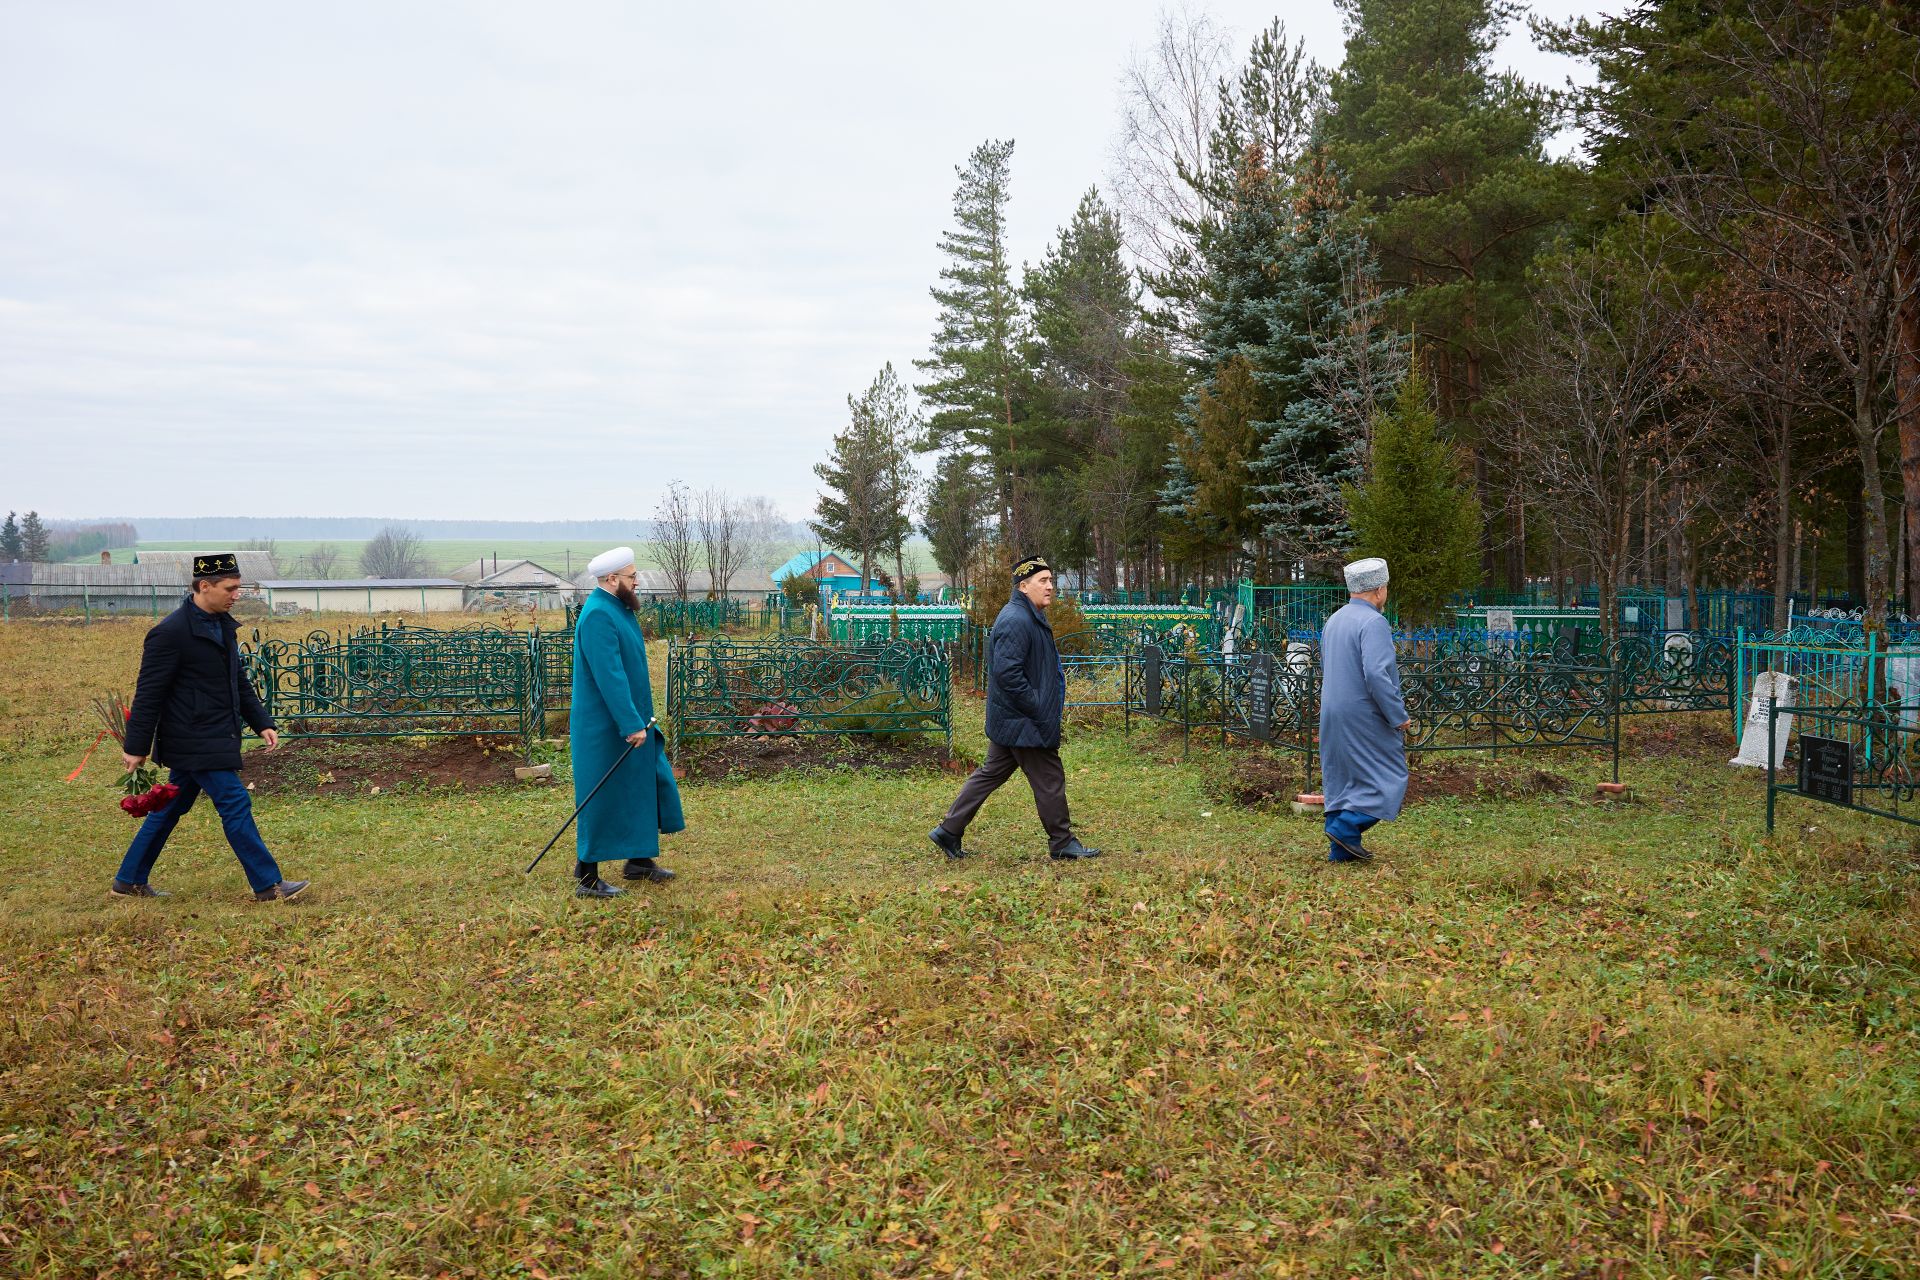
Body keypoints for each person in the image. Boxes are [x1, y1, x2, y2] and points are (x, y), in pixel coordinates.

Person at [113, 553, 309, 901]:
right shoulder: (169, 633)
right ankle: (269, 885)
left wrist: (261, 721)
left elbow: (237, 680)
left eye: (238, 588)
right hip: (194, 737)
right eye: (231, 589)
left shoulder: (222, 625)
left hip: (216, 733)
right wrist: (136, 746)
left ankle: (128, 880)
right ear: (205, 586)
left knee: (170, 806)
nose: (238, 595)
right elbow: (149, 693)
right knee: (235, 803)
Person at [930, 554, 1101, 862]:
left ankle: (948, 830)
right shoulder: (1016, 619)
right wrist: (1037, 707)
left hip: (1014, 718)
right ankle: (1062, 842)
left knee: (989, 774)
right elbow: (1007, 674)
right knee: (1049, 778)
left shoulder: (1029, 614)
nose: (1051, 587)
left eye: (1051, 580)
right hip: (1024, 719)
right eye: (1043, 581)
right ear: (1024, 586)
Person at [568, 547, 685, 898]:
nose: (636, 582)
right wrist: (630, 724)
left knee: (642, 786)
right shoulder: (598, 615)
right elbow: (610, 676)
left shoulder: (617, 609)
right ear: (611, 579)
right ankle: (587, 878)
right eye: (631, 577)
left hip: (633, 718)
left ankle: (638, 861)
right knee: (600, 795)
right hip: (604, 728)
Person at [1317, 556, 1411, 864]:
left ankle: (1340, 852)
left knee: (1344, 777)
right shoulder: (1374, 622)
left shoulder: (1335, 620)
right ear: (1380, 589)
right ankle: (1345, 828)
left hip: (1332, 710)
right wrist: (1398, 716)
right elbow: (1376, 675)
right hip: (1364, 713)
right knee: (1389, 775)